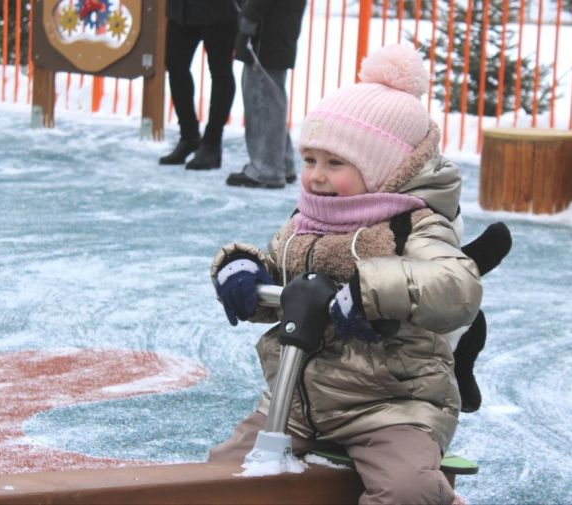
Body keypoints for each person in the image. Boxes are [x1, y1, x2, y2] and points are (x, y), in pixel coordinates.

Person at [207, 45, 486, 504]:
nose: (316, 176)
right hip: (296, 402)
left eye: (335, 163)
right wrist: (242, 271)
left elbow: (458, 286)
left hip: (392, 405)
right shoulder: (306, 221)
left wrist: (371, 290)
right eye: (311, 159)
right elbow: (281, 278)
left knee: (406, 489)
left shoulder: (413, 224)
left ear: (382, 168)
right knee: (219, 478)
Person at [225, 0, 306, 188]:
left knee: (261, 101)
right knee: (272, 100)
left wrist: (248, 19)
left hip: (265, 34)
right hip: (278, 29)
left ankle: (266, 169)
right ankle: (282, 164)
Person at [158, 0, 238, 170]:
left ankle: (212, 143)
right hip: (181, 10)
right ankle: (189, 137)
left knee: (220, 72)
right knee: (175, 65)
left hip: (220, 11)